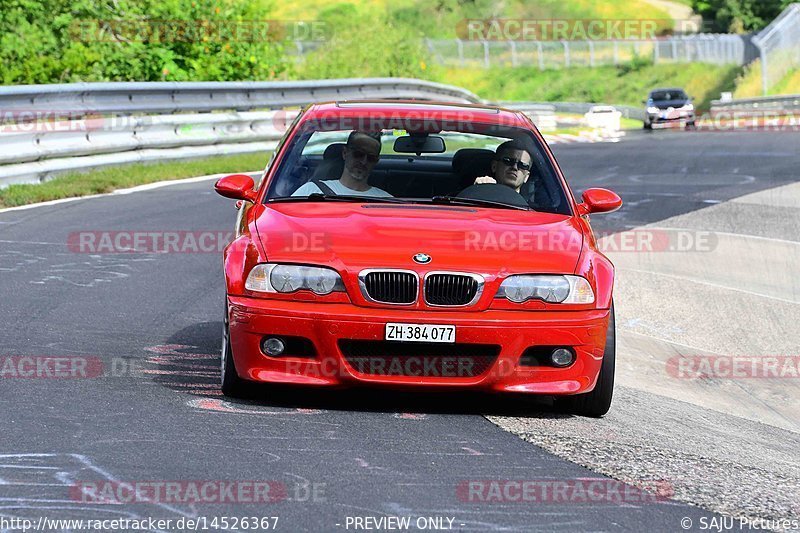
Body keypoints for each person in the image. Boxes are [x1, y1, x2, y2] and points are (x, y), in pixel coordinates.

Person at [292, 130, 392, 197]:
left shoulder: (386, 200)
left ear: (376, 161)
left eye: (371, 158)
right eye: (358, 154)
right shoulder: (311, 191)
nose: (363, 161)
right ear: (345, 153)